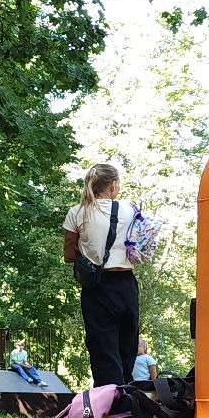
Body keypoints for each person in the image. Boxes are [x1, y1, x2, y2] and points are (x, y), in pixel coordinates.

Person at [63, 163, 139, 388]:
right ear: (113, 186)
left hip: (96, 286)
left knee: (103, 350)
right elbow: (142, 245)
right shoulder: (130, 210)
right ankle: (128, 402)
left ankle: (107, 405)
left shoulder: (77, 211)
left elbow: (68, 252)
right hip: (126, 285)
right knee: (127, 347)